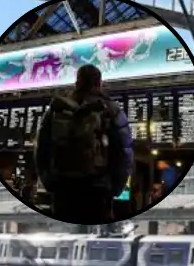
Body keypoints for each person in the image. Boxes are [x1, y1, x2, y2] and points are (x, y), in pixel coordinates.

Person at [33, 64, 134, 224]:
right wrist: (115, 187)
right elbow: (124, 151)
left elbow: (41, 150)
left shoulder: (57, 109)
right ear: (99, 83)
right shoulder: (111, 110)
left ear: (77, 82)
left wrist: (50, 183)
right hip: (98, 188)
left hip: (63, 188)